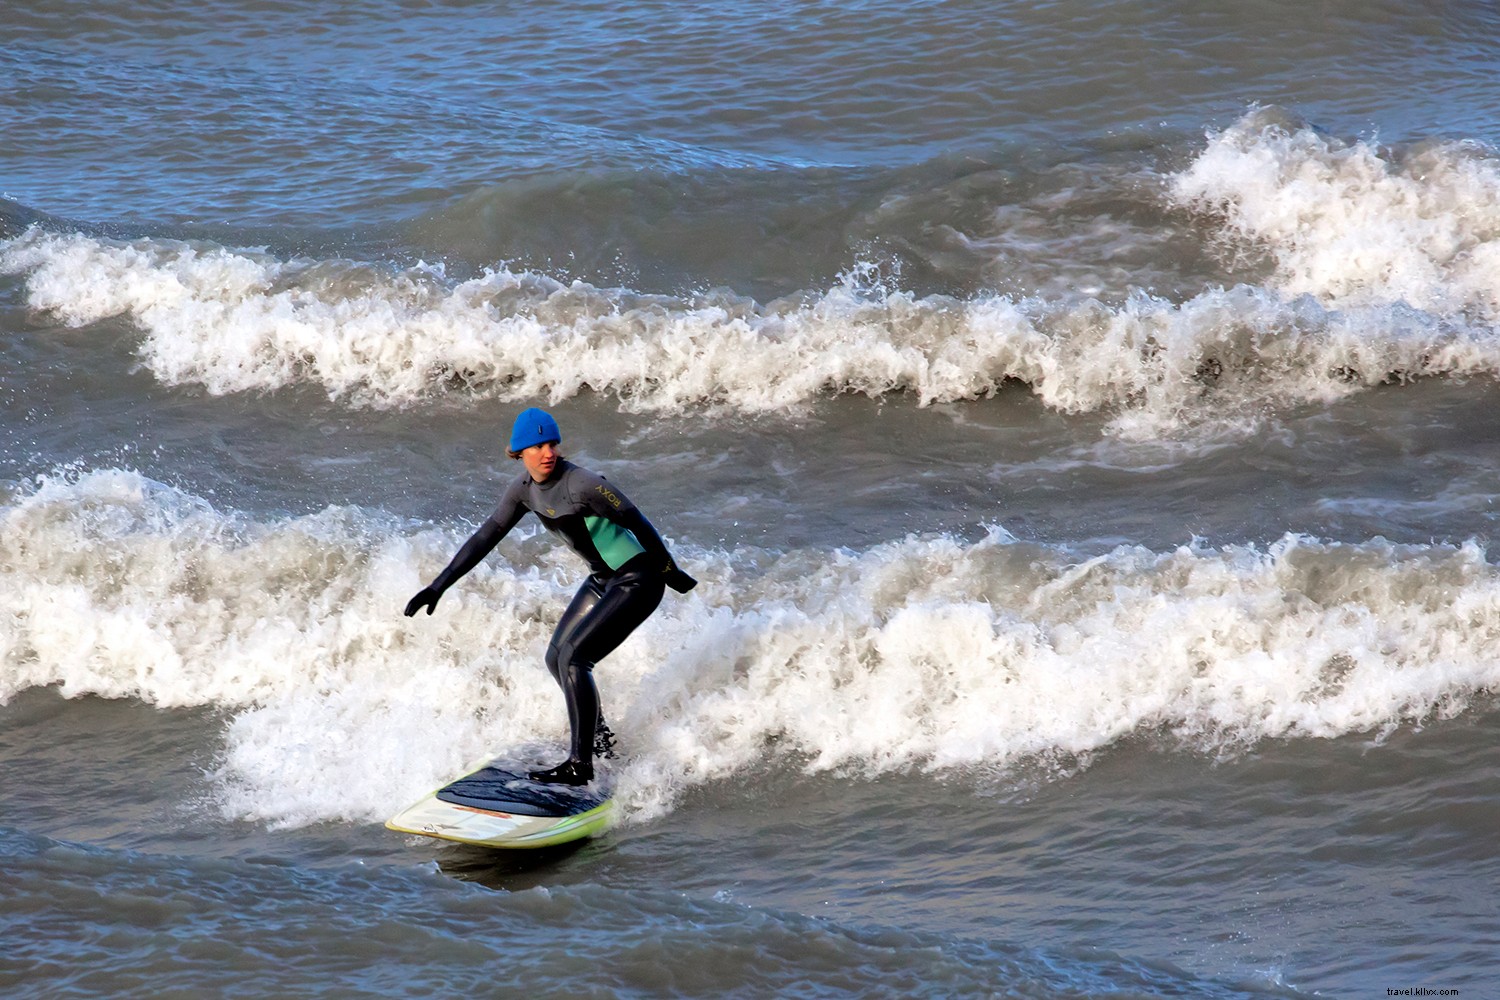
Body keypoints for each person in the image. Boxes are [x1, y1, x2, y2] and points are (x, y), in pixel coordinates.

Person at [404, 407, 696, 785]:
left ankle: (580, 766)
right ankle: (600, 742)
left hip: (638, 580)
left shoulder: (584, 485)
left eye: (552, 444)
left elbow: (638, 521)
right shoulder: (523, 490)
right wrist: (438, 585)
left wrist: (669, 571)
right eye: (538, 445)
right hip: (603, 578)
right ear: (519, 452)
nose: (548, 452)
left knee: (576, 658)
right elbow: (484, 537)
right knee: (556, 657)